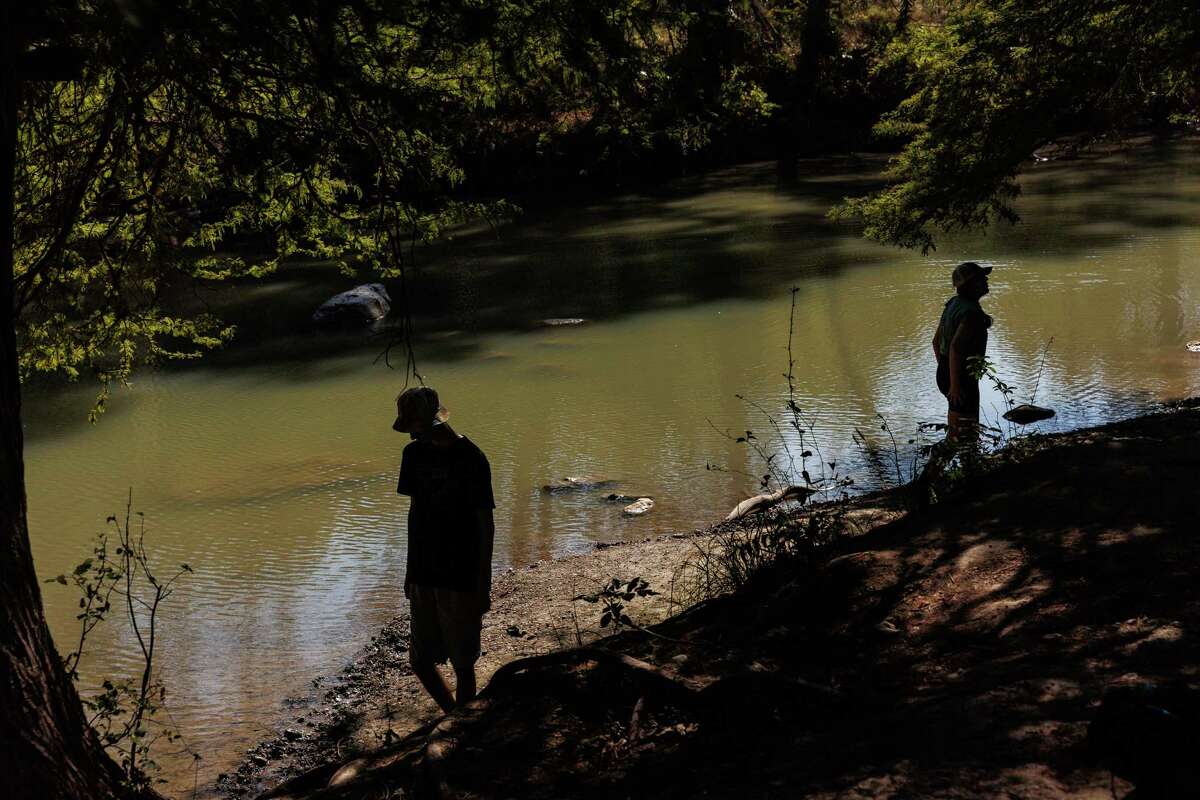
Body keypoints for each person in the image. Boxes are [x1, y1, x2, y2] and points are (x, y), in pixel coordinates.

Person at [393, 386, 495, 713]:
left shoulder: (472, 458)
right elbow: (415, 513)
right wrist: (410, 571)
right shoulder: (413, 455)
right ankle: (453, 716)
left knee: (463, 663)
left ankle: (462, 727)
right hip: (424, 570)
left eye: (417, 429)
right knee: (420, 659)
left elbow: (485, 523)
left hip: (461, 572)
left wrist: (483, 582)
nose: (413, 435)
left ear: (434, 423)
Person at [932, 261, 993, 439]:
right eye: (982, 278)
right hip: (962, 378)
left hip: (947, 372)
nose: (986, 280)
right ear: (971, 285)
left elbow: (936, 342)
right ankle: (945, 466)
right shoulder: (971, 313)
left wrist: (946, 371)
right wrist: (956, 384)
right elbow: (956, 348)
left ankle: (955, 466)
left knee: (957, 433)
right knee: (964, 434)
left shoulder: (953, 303)